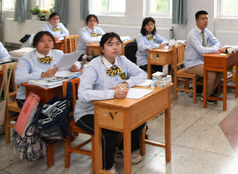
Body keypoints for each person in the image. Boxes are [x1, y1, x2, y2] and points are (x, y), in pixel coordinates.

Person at [74, 32, 147, 173]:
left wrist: (127, 83)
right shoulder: (93, 67)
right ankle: (107, 167)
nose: (115, 47)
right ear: (101, 49)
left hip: (113, 109)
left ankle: (122, 152)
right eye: (110, 44)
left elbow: (142, 74)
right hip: (88, 112)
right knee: (109, 132)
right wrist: (112, 93)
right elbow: (83, 94)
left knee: (139, 117)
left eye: (118, 43)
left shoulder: (122, 60)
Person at [15, 31, 81, 107]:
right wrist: (42, 75)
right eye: (42, 41)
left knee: (72, 103)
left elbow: (76, 62)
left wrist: (76, 66)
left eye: (49, 40)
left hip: (55, 93)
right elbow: (18, 79)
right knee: (52, 111)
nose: (47, 43)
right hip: (29, 97)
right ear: (34, 45)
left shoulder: (58, 53)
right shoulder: (26, 59)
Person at [184, 11, 227, 103]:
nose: (205, 21)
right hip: (192, 63)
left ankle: (208, 91)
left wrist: (216, 47)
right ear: (197, 21)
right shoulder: (193, 34)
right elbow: (201, 50)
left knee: (221, 70)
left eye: (207, 18)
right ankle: (206, 96)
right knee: (211, 73)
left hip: (202, 61)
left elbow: (217, 42)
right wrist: (217, 50)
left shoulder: (206, 31)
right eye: (202, 19)